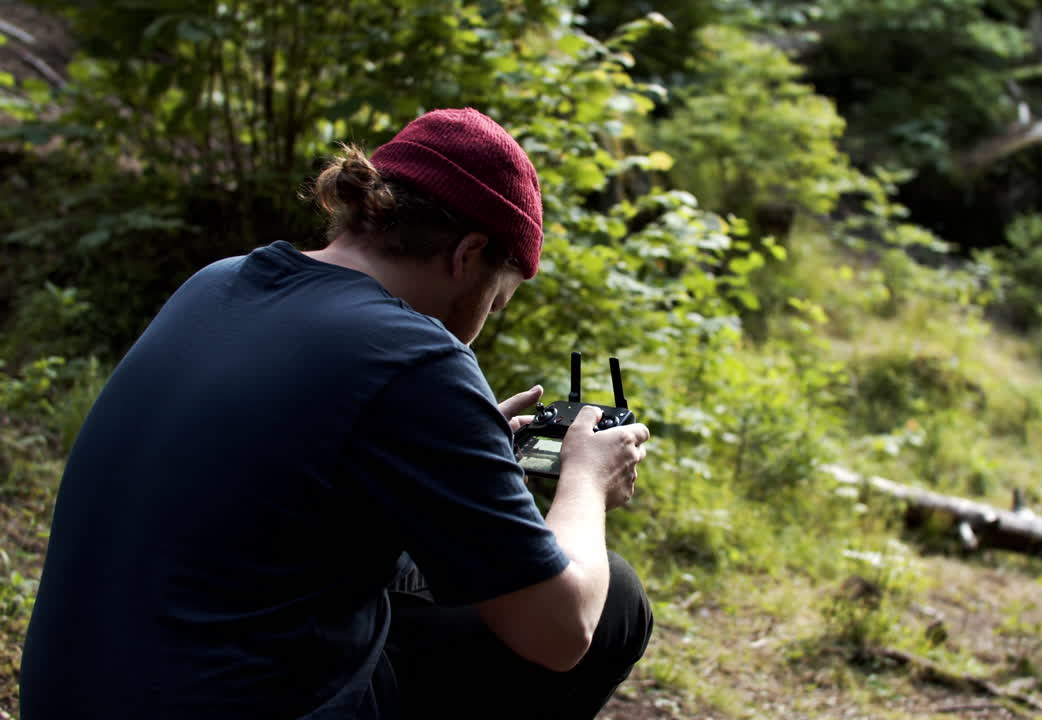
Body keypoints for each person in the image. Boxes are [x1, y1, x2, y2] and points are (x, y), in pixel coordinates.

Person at [20, 108, 653, 719]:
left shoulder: (220, 281)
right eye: (498, 301)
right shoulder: (416, 360)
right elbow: (562, 632)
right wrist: (586, 482)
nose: (486, 320)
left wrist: (462, 458)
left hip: (72, 695)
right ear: (468, 254)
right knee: (614, 599)